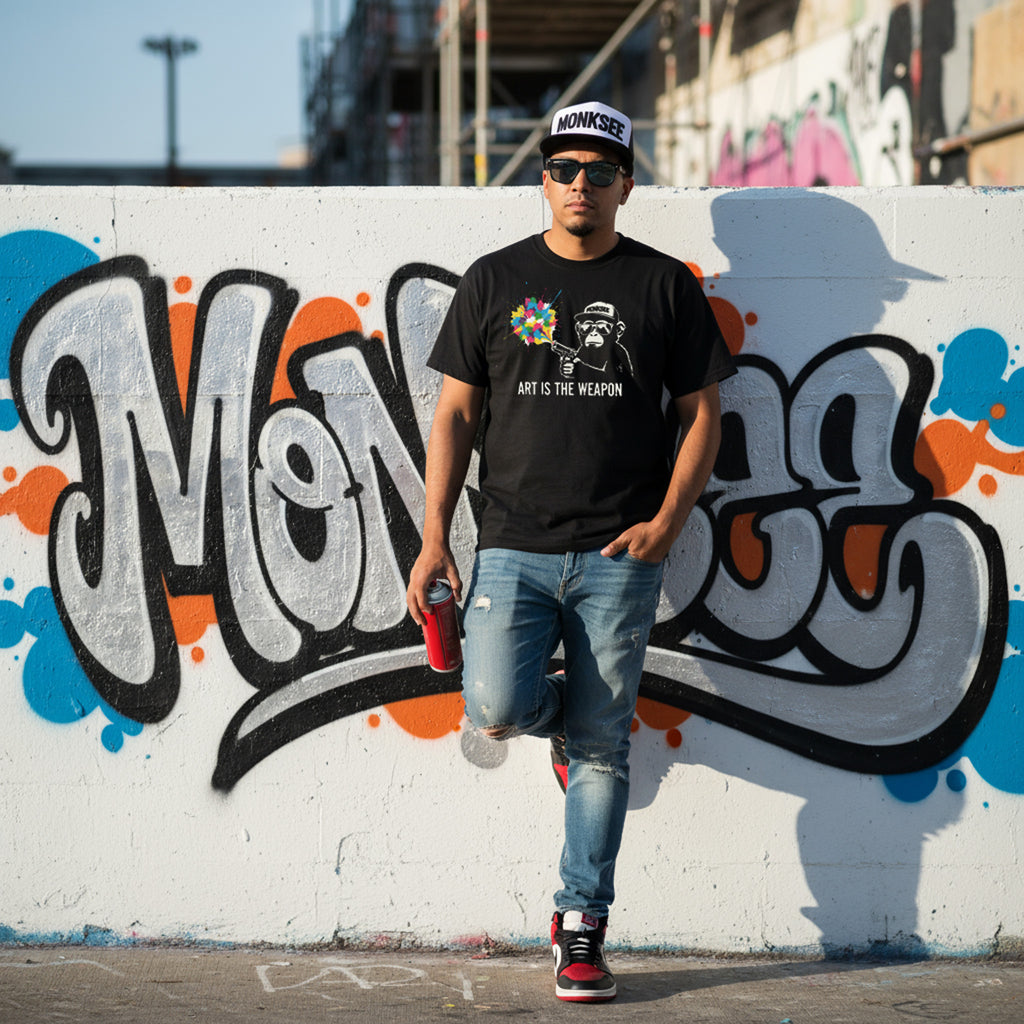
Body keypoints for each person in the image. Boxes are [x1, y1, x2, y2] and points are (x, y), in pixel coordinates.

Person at [406, 99, 735, 1002]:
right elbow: (457, 414)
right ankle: (560, 719)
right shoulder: (494, 279)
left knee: (603, 746)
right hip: (511, 543)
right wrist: (436, 537)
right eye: (563, 169)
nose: (579, 184)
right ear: (542, 179)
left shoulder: (665, 286)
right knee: (497, 703)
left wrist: (667, 526)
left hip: (621, 552)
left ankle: (580, 923)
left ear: (627, 183)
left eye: (598, 171)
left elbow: (703, 415)